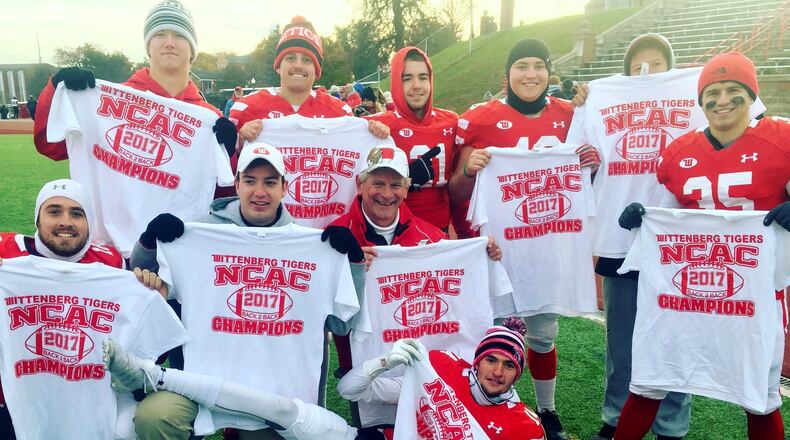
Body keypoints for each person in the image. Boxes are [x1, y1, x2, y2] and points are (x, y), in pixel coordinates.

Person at [129, 143, 364, 440]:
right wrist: (150, 241)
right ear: (237, 184)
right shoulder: (198, 234)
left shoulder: (314, 248)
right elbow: (144, 279)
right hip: (203, 383)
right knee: (154, 417)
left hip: (276, 393)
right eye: (250, 181)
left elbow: (343, 324)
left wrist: (354, 262)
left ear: (284, 187)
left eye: (270, 182)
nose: (260, 192)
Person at [616, 51, 790, 440]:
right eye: (712, 92)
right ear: (701, 101)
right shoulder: (680, 151)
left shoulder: (782, 139)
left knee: (759, 395)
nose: (722, 100)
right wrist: (641, 218)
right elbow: (673, 213)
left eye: (733, 90)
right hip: (687, 282)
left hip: (754, 288)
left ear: (751, 96)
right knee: (651, 376)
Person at [448, 38, 600, 440]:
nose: (530, 74)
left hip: (546, 245)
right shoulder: (479, 118)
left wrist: (590, 162)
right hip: (496, 247)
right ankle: (481, 406)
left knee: (543, 334)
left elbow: (590, 174)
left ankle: (546, 409)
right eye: (521, 66)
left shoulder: (571, 115)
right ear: (507, 75)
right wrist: (470, 169)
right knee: (490, 332)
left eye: (538, 65)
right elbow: (455, 190)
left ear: (550, 72)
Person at [585, 33, 693, 440]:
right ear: (624, 72)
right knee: (621, 341)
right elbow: (582, 154)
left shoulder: (694, 92)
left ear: (674, 70)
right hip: (619, 234)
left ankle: (671, 425)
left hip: (677, 238)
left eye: (657, 65)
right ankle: (614, 418)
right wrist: (585, 102)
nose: (646, 73)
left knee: (675, 338)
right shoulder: (602, 97)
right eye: (637, 67)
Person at [32, 0, 238, 198]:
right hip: (107, 233)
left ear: (193, 49)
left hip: (176, 233)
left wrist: (230, 155)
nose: (169, 43)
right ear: (148, 46)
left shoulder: (211, 118)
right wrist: (57, 89)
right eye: (159, 34)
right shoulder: (106, 99)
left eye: (179, 35)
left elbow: (224, 194)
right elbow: (50, 144)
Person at [0, 179, 144, 440]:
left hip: (86, 393)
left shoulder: (110, 264)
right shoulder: (7, 256)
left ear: (89, 222)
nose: (65, 221)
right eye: (54, 211)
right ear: (37, 219)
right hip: (16, 394)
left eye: (76, 213)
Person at [338, 318, 545, 439]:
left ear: (517, 374)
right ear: (477, 362)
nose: (498, 371)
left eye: (509, 365)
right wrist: (384, 362)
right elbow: (347, 390)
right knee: (327, 429)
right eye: (491, 360)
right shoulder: (441, 369)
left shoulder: (525, 426)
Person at [231, 17, 388, 146]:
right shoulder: (246, 108)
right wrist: (239, 142)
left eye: (306, 60)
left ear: (317, 71)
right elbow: (226, 175)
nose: (298, 65)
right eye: (291, 58)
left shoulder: (340, 112)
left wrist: (376, 133)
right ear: (278, 66)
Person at [365, 47, 460, 232]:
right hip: (394, 236)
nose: (416, 85)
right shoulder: (378, 125)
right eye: (407, 78)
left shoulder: (452, 122)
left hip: (440, 234)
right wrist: (368, 131)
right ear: (395, 83)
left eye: (423, 77)